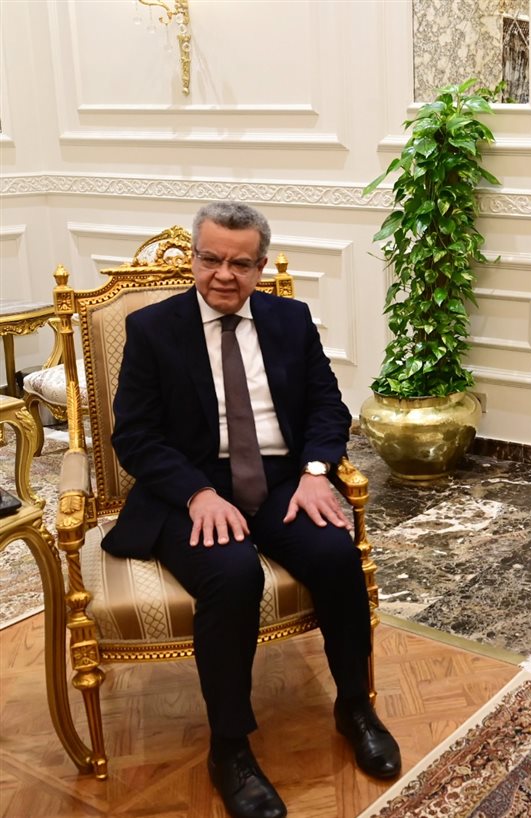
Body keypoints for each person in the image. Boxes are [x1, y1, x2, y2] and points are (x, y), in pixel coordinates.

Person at [105, 201, 399, 818]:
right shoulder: (153, 329)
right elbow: (135, 436)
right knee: (232, 574)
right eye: (210, 259)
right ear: (194, 258)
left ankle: (354, 706)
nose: (223, 275)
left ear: (260, 267)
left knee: (336, 554)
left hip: (281, 477)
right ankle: (230, 747)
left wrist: (316, 473)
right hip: (193, 485)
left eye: (240, 264)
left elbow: (327, 406)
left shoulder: (290, 319)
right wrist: (196, 494)